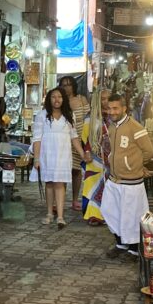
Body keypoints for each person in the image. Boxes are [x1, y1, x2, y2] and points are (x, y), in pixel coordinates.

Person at [101, 92, 153, 258]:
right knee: (110, 211)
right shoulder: (111, 126)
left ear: (124, 108)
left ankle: (133, 249)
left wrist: (135, 165)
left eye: (116, 108)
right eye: (110, 108)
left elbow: (149, 152)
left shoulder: (135, 127)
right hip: (114, 179)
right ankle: (120, 243)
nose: (112, 112)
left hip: (131, 181)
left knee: (131, 216)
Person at [32, 87, 84, 229]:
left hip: (63, 155)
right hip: (47, 154)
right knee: (49, 183)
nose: (57, 100)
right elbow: (36, 138)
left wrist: (82, 154)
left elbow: (74, 137)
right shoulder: (42, 115)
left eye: (60, 97)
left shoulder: (69, 115)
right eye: (54, 97)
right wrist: (36, 159)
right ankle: (49, 213)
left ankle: (60, 216)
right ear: (49, 99)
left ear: (63, 99)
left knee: (60, 184)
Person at [58, 75, 89, 211]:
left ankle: (75, 199)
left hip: (80, 139)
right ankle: (61, 199)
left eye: (69, 84)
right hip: (64, 140)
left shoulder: (81, 99)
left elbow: (88, 118)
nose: (67, 87)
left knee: (76, 170)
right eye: (64, 85)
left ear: (74, 86)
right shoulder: (59, 101)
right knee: (64, 170)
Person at [80, 88, 111, 224]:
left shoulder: (115, 115)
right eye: (102, 99)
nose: (106, 102)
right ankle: (94, 215)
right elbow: (86, 137)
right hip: (95, 157)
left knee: (109, 186)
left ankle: (108, 215)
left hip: (111, 158)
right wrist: (86, 152)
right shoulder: (90, 117)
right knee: (92, 185)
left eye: (108, 98)